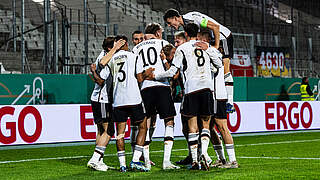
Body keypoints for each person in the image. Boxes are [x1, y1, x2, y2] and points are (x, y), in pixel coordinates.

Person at [150, 23, 222, 170]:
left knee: (192, 126)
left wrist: (156, 76)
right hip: (207, 88)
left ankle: (195, 160)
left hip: (191, 89)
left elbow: (172, 72)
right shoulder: (205, 46)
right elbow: (218, 65)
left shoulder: (182, 49)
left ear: (186, 34)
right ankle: (204, 153)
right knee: (206, 124)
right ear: (198, 34)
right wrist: (209, 51)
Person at [163, 8, 236, 113]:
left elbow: (215, 27)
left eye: (170, 23)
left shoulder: (193, 19)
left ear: (175, 18)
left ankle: (230, 102)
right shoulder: (186, 25)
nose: (170, 26)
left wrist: (215, 46)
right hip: (213, 39)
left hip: (223, 37)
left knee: (225, 69)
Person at [132, 23, 179, 170]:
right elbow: (173, 67)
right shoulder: (165, 43)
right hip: (162, 86)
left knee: (146, 124)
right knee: (169, 122)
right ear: (158, 33)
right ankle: (166, 162)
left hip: (145, 88)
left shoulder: (136, 48)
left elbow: (136, 72)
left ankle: (146, 162)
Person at [100, 35, 151, 172]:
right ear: (126, 44)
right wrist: (147, 73)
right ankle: (135, 160)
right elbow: (140, 78)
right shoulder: (133, 56)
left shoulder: (111, 60)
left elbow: (101, 68)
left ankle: (122, 165)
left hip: (118, 100)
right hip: (133, 98)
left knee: (120, 134)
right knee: (142, 127)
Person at [197, 30, 239, 169]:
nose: (197, 39)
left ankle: (232, 161)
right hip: (210, 95)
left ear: (207, 39)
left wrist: (230, 100)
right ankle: (221, 159)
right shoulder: (205, 53)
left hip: (218, 96)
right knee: (210, 129)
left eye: (200, 37)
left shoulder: (215, 53)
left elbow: (222, 72)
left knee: (222, 127)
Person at [87, 36, 116, 172]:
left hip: (96, 98)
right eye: (115, 46)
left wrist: (93, 72)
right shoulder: (107, 59)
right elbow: (101, 81)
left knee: (100, 130)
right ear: (110, 48)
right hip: (103, 99)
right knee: (109, 130)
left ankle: (99, 160)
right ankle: (94, 159)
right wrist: (94, 73)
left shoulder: (102, 55)